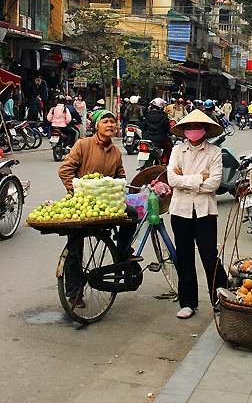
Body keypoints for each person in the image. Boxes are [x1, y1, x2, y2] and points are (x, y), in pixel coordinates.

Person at [58, 110, 138, 307]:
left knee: (133, 214)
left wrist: (119, 188)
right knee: (75, 246)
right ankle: (74, 292)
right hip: (82, 204)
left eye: (112, 122)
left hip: (106, 205)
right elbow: (65, 170)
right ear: (96, 126)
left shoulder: (116, 152)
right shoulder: (83, 145)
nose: (110, 125)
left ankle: (122, 251)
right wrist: (77, 191)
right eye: (105, 121)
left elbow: (120, 177)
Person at [167, 109, 228, 319]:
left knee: (210, 256)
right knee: (184, 256)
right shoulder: (177, 151)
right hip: (180, 211)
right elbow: (172, 180)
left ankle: (221, 298)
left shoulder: (214, 152)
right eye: (189, 127)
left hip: (205, 211)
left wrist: (187, 181)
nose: (193, 130)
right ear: (184, 130)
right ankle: (188, 303)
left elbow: (215, 183)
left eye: (197, 127)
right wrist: (199, 179)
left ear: (205, 130)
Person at [142, 97, 172, 164]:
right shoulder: (164, 117)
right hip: (160, 140)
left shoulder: (148, 115)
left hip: (149, 139)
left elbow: (144, 127)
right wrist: (170, 133)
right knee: (169, 147)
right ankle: (164, 162)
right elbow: (168, 129)